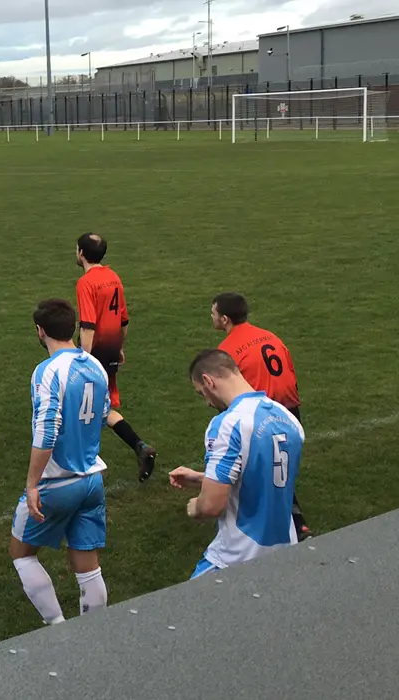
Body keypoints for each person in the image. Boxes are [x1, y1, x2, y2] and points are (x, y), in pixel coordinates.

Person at [10, 299, 111, 626]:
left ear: (40, 331)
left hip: (57, 482)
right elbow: (103, 413)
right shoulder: (95, 366)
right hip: (92, 480)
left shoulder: (48, 371)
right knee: (87, 564)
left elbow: (47, 429)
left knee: (21, 553)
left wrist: (32, 482)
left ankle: (57, 627)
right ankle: (93, 634)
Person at [168, 349, 305, 578]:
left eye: (202, 393)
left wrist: (194, 507)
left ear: (208, 381)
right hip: (284, 551)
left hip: (237, 558)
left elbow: (212, 506)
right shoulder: (288, 419)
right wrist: (204, 477)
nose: (207, 402)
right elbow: (265, 475)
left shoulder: (228, 424)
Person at [211, 292, 311, 539]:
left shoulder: (226, 351)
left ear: (224, 319)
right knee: (280, 466)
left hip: (260, 416)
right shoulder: (270, 336)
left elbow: (227, 394)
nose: (210, 317)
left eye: (213, 313)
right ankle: (296, 522)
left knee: (263, 470)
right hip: (288, 409)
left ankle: (293, 524)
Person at [74, 233, 157, 481]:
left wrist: (82, 360)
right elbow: (123, 319)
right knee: (102, 405)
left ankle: (79, 463)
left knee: (81, 404)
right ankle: (140, 447)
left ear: (80, 253)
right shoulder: (113, 277)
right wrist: (119, 346)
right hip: (110, 348)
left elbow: (87, 325)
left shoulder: (86, 283)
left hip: (95, 351)